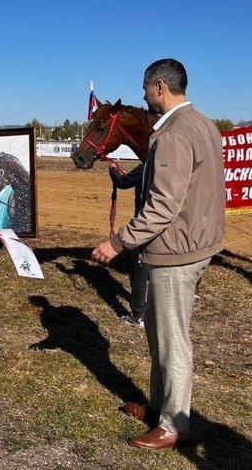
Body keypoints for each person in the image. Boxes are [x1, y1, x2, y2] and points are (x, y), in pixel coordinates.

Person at [92, 59, 225, 450]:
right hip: (194, 244)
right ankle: (158, 406)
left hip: (175, 252)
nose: (144, 95)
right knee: (157, 331)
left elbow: (161, 207)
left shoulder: (172, 135)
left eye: (146, 89)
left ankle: (172, 426)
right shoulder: (205, 124)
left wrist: (115, 244)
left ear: (160, 87)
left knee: (171, 339)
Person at [108, 163, 147, 327]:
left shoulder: (147, 166)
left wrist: (111, 170)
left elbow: (122, 183)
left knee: (139, 269)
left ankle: (138, 314)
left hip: (144, 225)